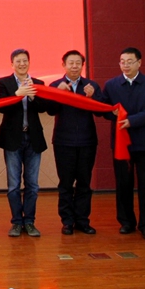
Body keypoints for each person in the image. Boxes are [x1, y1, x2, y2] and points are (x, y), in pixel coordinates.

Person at [102, 47, 145, 240]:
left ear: (139, 63)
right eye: (122, 61)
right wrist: (112, 114)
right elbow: (104, 109)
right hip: (121, 143)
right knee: (123, 183)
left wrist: (132, 121)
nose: (125, 65)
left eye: (130, 61)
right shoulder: (112, 85)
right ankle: (126, 222)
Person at [0, 49, 48, 238]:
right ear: (12, 64)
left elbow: (44, 108)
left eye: (25, 60)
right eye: (18, 61)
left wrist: (33, 96)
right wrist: (17, 94)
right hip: (12, 139)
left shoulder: (38, 83)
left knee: (32, 184)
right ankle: (17, 222)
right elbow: (1, 107)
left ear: (29, 63)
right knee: (14, 185)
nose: (22, 64)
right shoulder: (4, 82)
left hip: (33, 138)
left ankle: (30, 221)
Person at [48, 50, 101, 235]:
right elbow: (50, 110)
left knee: (84, 183)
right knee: (66, 183)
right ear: (64, 65)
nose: (74, 66)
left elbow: (100, 111)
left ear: (82, 65)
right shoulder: (56, 85)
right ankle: (67, 221)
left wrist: (93, 98)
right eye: (71, 63)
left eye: (78, 63)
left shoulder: (91, 86)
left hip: (87, 141)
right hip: (64, 142)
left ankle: (82, 221)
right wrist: (58, 94)